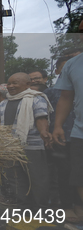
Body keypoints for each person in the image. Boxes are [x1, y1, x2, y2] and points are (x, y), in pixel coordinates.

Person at [0, 72, 53, 207]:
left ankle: (40, 208)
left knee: (37, 178)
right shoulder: (3, 104)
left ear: (28, 84)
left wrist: (44, 132)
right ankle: (23, 206)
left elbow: (41, 118)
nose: (10, 86)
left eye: (15, 83)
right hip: (10, 148)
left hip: (31, 146)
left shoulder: (36, 99)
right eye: (9, 83)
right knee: (15, 178)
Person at [53, 20, 83, 227]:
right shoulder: (73, 65)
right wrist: (57, 126)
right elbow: (65, 98)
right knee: (79, 177)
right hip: (80, 131)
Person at [44, 51, 81, 212]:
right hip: (67, 136)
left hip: (75, 133)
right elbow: (46, 115)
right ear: (58, 71)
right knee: (68, 174)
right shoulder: (51, 92)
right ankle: (68, 206)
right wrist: (53, 130)